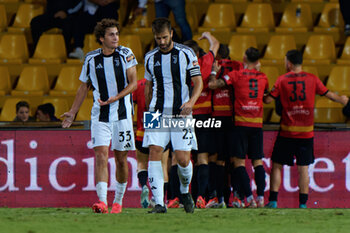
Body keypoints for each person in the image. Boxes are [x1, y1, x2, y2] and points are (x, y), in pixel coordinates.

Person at [61, 18, 138, 214]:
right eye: (111, 34)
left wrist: (116, 98)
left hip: (122, 115)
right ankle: (102, 202)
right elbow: (83, 87)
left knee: (121, 159)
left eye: (117, 34)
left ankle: (118, 201)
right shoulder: (91, 59)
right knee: (101, 155)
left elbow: (133, 83)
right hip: (100, 115)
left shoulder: (126, 54)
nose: (116, 38)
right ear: (101, 38)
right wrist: (72, 112)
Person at [264, 50, 349, 208]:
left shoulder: (282, 80)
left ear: (288, 63)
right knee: (303, 168)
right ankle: (303, 204)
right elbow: (329, 94)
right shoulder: (313, 79)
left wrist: (259, 94)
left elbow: (268, 100)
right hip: (306, 133)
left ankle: (273, 201)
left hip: (287, 132)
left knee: (277, 165)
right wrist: (342, 100)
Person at [143, 18, 203, 213]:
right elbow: (149, 86)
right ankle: (159, 203)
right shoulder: (150, 57)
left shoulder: (186, 53)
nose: (161, 41)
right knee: (154, 152)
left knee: (183, 159)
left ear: (171, 34)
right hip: (156, 112)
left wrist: (191, 103)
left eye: (164, 37)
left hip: (181, 113)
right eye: (158, 38)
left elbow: (198, 82)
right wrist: (148, 109)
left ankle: (185, 191)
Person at [209, 47, 268, 208]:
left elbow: (213, 85)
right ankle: (261, 198)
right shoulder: (263, 77)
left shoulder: (236, 75)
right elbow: (267, 99)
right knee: (257, 162)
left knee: (239, 163)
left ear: (244, 57)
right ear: (257, 61)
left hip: (241, 123)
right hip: (257, 124)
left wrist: (214, 72)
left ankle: (249, 198)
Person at [183, 32, 219, 209]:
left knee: (181, 159)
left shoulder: (180, 67)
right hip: (204, 116)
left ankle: (177, 197)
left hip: (185, 116)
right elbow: (216, 45)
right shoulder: (204, 63)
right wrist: (207, 35)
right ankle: (200, 197)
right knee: (203, 158)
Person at [206, 44, 244, 208]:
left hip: (217, 118)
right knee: (236, 160)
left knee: (217, 160)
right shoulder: (238, 66)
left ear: (219, 56)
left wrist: (213, 71)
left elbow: (210, 85)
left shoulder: (213, 67)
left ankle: (218, 197)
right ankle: (237, 197)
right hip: (235, 119)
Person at [133, 78, 170, 208]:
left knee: (141, 163)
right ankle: (159, 198)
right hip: (159, 122)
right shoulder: (164, 83)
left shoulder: (139, 85)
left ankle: (144, 185)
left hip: (142, 127)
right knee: (162, 164)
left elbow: (131, 104)